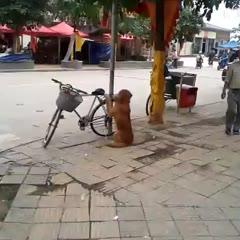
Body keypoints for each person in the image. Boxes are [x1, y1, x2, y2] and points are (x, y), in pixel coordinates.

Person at [221, 50, 240, 135]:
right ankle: (228, 127)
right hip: (233, 91)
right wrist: (224, 91)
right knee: (232, 111)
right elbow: (227, 79)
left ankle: (236, 128)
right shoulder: (233, 66)